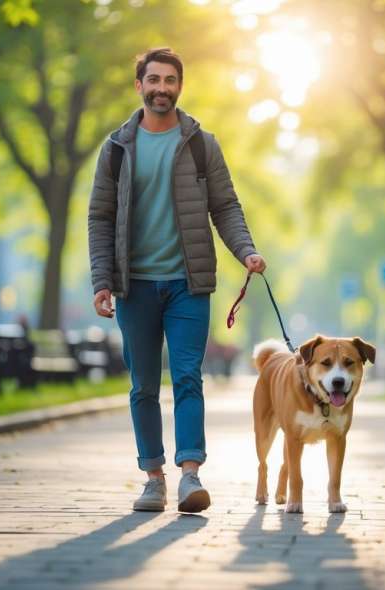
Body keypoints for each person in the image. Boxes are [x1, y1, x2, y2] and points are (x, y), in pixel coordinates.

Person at [87, 48, 266, 513]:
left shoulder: (201, 144)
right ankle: (153, 479)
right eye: (153, 80)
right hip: (135, 285)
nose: (161, 88)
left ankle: (190, 476)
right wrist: (102, 280)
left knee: (188, 377)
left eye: (169, 80)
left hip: (188, 283)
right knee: (144, 385)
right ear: (139, 86)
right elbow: (100, 217)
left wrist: (246, 251)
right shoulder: (116, 148)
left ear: (179, 86)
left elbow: (225, 206)